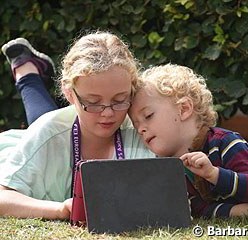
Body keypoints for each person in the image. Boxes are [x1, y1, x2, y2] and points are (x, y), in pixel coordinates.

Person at [0, 31, 154, 221]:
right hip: (28, 142)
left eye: (120, 99)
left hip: (61, 129)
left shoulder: (144, 127)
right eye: (93, 102)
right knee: (46, 125)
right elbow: (3, 196)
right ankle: (25, 70)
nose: (107, 113)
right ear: (69, 94)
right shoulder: (48, 133)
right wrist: (60, 209)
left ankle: (26, 66)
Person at [129, 63, 248, 223]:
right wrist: (244, 211)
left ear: (184, 109)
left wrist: (213, 174)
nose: (141, 129)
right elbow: (198, 210)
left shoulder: (225, 142)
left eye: (148, 116)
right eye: (136, 124)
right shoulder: (173, 167)